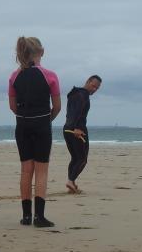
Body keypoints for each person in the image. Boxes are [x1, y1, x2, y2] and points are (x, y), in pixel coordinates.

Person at [8, 36, 60, 227]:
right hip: (41, 124)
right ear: (42, 52)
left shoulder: (14, 76)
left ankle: (26, 216)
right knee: (41, 170)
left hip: (22, 124)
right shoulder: (50, 75)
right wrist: (46, 120)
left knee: (25, 170)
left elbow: (12, 106)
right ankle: (39, 216)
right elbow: (57, 106)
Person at [64, 75, 102, 193]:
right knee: (82, 159)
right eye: (93, 86)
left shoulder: (74, 93)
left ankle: (72, 183)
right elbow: (78, 112)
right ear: (88, 81)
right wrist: (77, 128)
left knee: (75, 158)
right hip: (77, 130)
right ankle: (70, 181)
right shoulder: (83, 95)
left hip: (66, 129)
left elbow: (71, 112)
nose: (94, 89)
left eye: (97, 88)